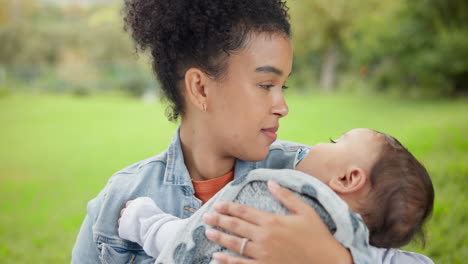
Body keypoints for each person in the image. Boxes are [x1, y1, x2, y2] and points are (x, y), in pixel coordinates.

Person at [71, 0, 435, 263]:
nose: (282, 105)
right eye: (266, 85)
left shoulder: (307, 180)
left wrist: (332, 259)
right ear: (200, 88)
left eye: (284, 87)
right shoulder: (120, 200)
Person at [117, 128, 434, 263]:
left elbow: (199, 238)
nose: (318, 146)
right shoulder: (363, 247)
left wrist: (148, 224)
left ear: (348, 178)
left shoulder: (284, 201)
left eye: (335, 141)